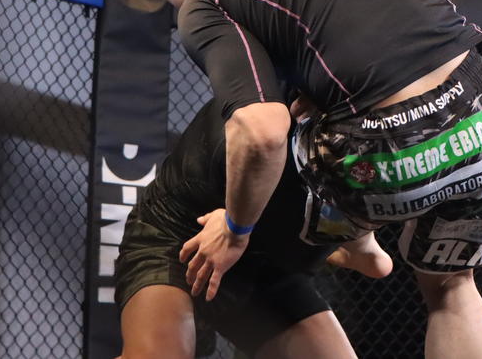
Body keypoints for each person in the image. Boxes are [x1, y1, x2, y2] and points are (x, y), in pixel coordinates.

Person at [139, 0, 482, 359]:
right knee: (453, 287)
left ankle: (353, 236)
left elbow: (261, 130)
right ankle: (361, 238)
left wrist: (234, 230)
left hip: (381, 155)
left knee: (280, 127)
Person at [115, 100, 358, 359]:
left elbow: (366, 252)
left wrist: (360, 246)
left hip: (259, 261)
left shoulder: (366, 141)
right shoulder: (265, 102)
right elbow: (262, 141)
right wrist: (235, 226)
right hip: (177, 235)